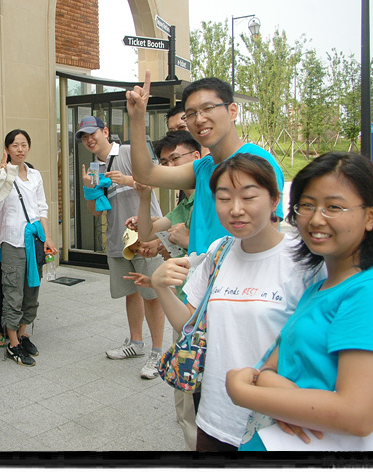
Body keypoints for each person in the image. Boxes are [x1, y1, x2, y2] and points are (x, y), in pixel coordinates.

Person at [227, 152, 373, 451]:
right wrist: (287, 396)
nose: (315, 219)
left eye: (334, 207)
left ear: (371, 215)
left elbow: (358, 415)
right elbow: (270, 370)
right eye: (307, 205)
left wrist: (240, 391)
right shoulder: (321, 287)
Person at [149, 153, 325, 451]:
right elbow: (188, 323)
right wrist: (161, 287)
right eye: (224, 198)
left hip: (276, 425)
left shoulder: (306, 260)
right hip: (214, 419)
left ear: (274, 200)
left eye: (248, 197)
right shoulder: (219, 251)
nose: (236, 209)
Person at [126, 73, 285, 257]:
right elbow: (145, 174)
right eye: (191, 114)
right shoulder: (202, 167)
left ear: (232, 111)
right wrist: (137, 118)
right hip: (203, 273)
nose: (199, 119)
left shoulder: (259, 162)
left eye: (208, 108)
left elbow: (269, 244)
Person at [125, 129, 201, 449]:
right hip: (184, 305)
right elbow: (147, 232)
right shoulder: (185, 204)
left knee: (195, 401)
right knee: (185, 401)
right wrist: (144, 198)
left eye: (175, 159)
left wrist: (187, 240)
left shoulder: (211, 199)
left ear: (197, 158)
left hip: (205, 309)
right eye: (165, 162)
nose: (169, 167)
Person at [77, 115, 166, 380]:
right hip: (118, 238)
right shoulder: (95, 167)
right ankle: (136, 344)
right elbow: (95, 211)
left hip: (145, 237)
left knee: (151, 294)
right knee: (131, 292)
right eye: (84, 137)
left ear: (105, 131)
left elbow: (156, 180)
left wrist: (126, 179)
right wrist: (89, 189)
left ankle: (158, 353)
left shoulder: (127, 152)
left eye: (93, 133)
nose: (89, 139)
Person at [0, 130, 57, 367]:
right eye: (15, 145)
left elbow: (42, 208)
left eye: (24, 144)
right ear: (7, 149)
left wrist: (48, 238)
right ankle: (13, 342)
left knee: (32, 290)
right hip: (13, 242)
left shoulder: (35, 175)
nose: (20, 149)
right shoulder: (1, 175)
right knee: (13, 292)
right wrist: (2, 180)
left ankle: (23, 333)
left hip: (34, 241)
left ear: (29, 147)